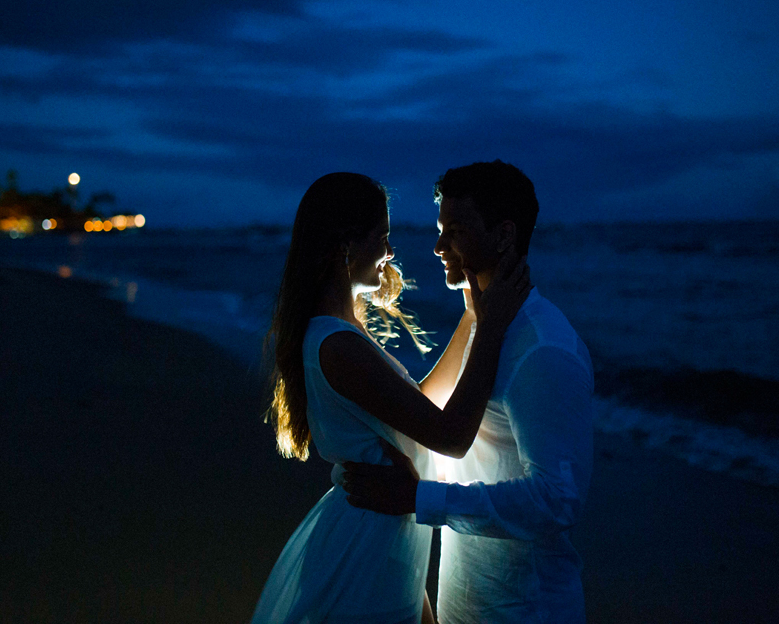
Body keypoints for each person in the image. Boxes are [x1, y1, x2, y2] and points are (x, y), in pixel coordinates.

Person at [250, 172, 531, 624]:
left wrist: (473, 317)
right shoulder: (338, 345)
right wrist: (492, 331)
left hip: (382, 537)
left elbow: (413, 405)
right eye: (382, 237)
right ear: (346, 246)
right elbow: (452, 435)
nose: (390, 252)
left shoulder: (338, 332)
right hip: (367, 542)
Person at [343, 160, 595, 623]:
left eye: (455, 231)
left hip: (525, 610)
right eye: (442, 230)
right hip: (465, 603)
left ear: (503, 236)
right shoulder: (485, 331)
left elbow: (558, 499)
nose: (438, 246)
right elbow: (428, 418)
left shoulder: (543, 349)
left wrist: (421, 500)